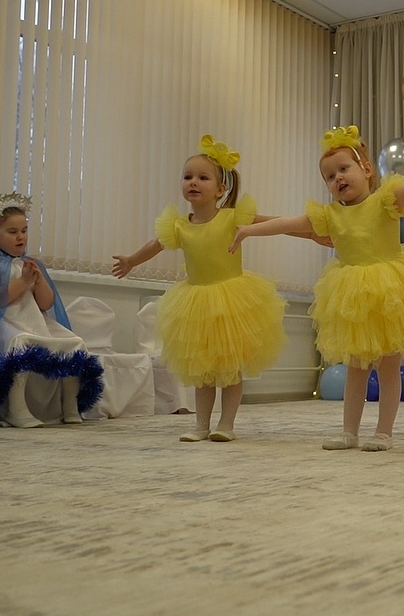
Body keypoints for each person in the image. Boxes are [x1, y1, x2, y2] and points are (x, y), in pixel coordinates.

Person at [229, 125, 404, 451]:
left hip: (390, 292)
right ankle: (349, 432)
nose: (338, 178)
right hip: (353, 297)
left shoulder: (385, 201)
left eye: (344, 169)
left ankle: (383, 432)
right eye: (329, 176)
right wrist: (249, 230)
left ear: (366, 170)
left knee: (389, 367)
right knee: (356, 369)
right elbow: (286, 224)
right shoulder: (329, 215)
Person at [112, 135, 298, 442]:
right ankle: (201, 424)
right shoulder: (178, 225)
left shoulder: (233, 218)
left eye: (202, 177)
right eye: (187, 177)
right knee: (202, 371)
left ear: (220, 189)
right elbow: (154, 245)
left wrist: (311, 231)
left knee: (231, 368)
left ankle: (226, 424)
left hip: (232, 300)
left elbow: (278, 223)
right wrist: (131, 260)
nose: (193, 182)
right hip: (196, 301)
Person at [0, 192, 103, 427]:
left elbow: (46, 304)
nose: (21, 237)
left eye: (24, 231)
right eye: (12, 232)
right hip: (3, 320)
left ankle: (69, 404)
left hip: (36, 320)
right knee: (19, 342)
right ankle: (16, 408)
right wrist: (23, 281)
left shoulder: (33, 263)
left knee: (74, 342)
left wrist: (38, 280)